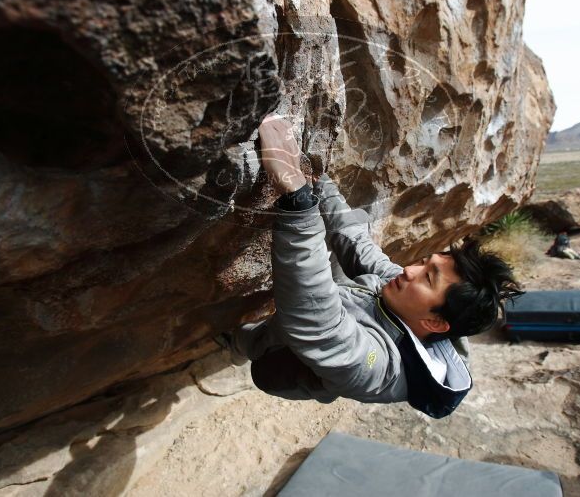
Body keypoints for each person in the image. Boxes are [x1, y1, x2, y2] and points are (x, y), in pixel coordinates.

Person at [219, 114, 523, 418]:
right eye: (423, 263)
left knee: (262, 344)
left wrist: (296, 197)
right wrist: (316, 182)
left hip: (288, 361)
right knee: (351, 237)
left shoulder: (381, 370)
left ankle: (239, 347)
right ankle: (244, 340)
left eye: (428, 279)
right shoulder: (413, 299)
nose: (409, 270)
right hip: (341, 309)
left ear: (434, 323)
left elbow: (319, 323)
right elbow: (359, 247)